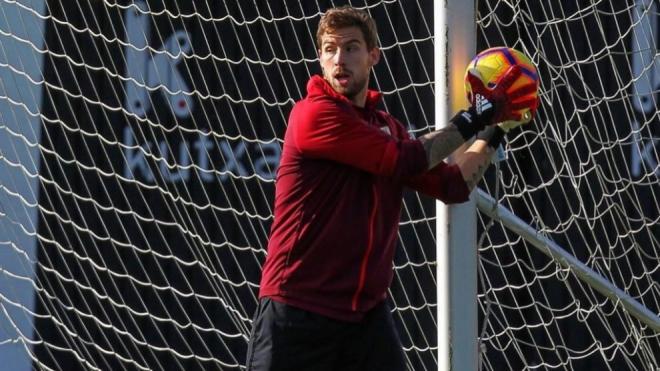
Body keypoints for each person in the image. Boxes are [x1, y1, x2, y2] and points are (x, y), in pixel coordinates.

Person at [245, 6, 535, 371]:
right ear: (319, 57)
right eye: (330, 49)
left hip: (365, 318)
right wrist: (478, 115)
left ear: (373, 56)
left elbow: (453, 185)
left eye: (351, 48)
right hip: (299, 310)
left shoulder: (386, 127)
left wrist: (498, 129)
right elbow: (405, 160)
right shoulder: (313, 115)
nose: (339, 60)